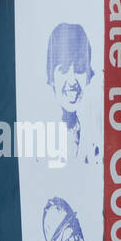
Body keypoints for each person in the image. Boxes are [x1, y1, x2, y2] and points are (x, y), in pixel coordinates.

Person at [45, 23, 101, 165]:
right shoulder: (41, 137)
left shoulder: (96, 136)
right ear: (51, 77)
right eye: (63, 70)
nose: (72, 81)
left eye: (80, 69)